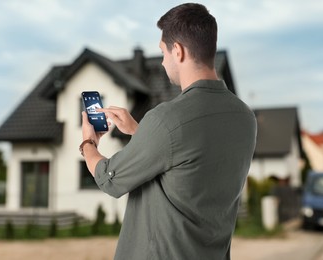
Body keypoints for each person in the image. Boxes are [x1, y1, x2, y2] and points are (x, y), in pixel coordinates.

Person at [80, 3, 257, 259]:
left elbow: (110, 179)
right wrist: (141, 133)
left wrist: (88, 143)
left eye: (163, 52)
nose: (162, 61)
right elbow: (188, 162)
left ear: (178, 51)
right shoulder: (245, 118)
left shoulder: (166, 119)